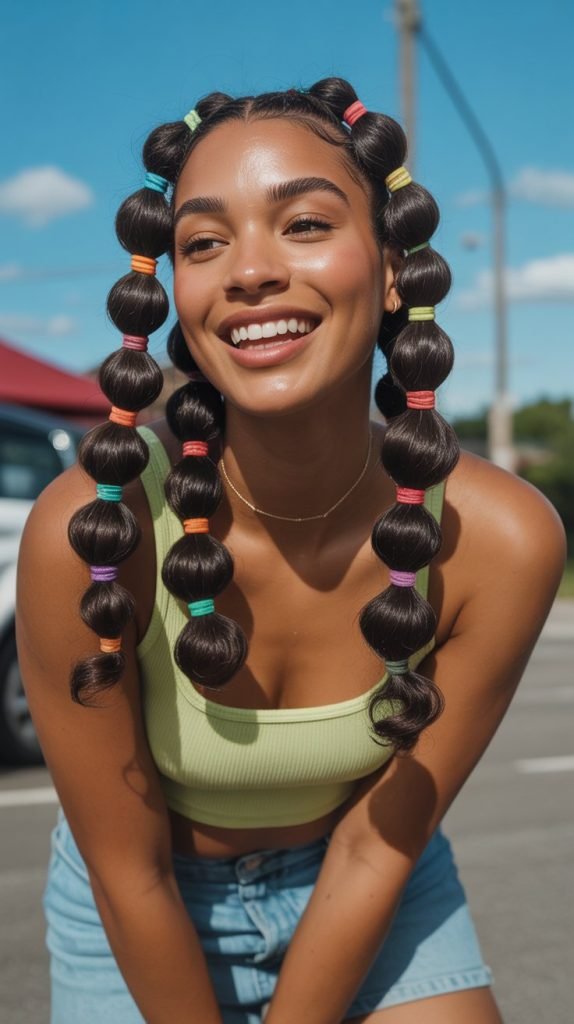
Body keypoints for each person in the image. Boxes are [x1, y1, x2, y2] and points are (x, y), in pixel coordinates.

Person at [16, 79, 565, 1024]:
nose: (249, 271)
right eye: (203, 242)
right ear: (170, 287)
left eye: (304, 224)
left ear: (394, 267)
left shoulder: (501, 539)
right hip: (141, 902)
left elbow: (377, 849)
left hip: (369, 877)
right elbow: (125, 869)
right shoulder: (98, 531)